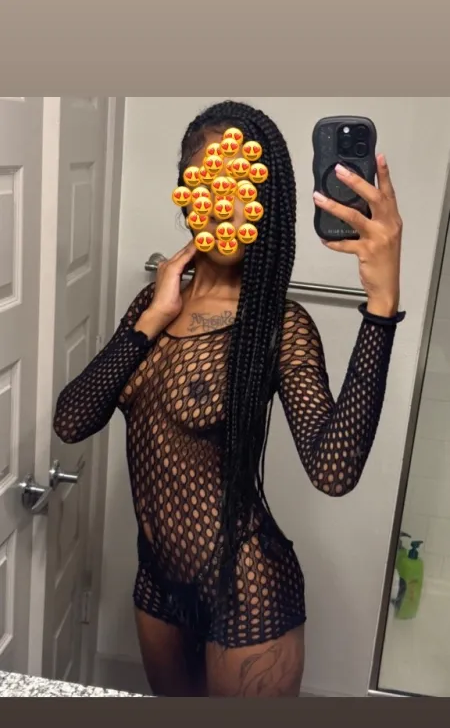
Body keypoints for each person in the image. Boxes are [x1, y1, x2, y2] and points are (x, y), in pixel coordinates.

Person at [53, 100, 404, 697]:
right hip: (157, 584)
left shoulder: (278, 325)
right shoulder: (152, 305)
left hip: (247, 592)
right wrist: (153, 316)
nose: (227, 205)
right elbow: (71, 420)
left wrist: (381, 305)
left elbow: (334, 470)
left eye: (245, 187)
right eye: (210, 184)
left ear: (267, 203)